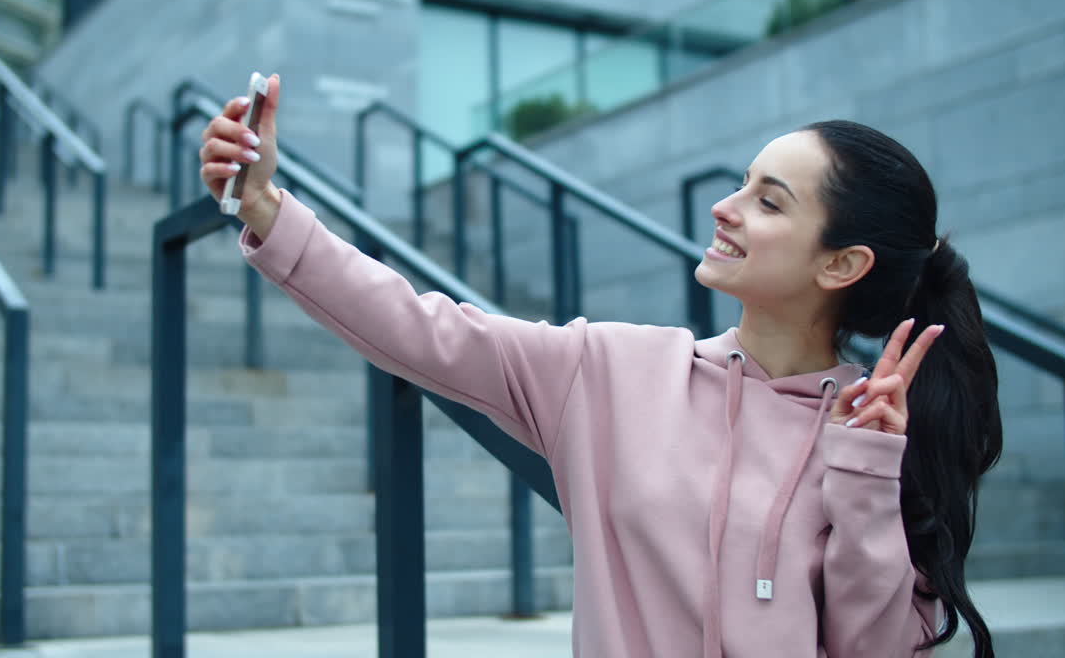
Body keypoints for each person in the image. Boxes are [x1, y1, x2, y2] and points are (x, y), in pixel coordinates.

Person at [199, 74, 1002, 657]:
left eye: (769, 201)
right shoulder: (610, 371)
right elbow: (417, 327)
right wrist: (266, 206)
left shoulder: (878, 434)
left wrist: (865, 478)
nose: (724, 209)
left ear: (841, 264)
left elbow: (875, 649)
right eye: (742, 184)